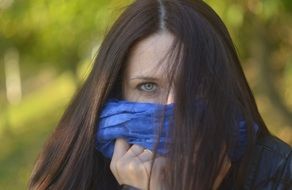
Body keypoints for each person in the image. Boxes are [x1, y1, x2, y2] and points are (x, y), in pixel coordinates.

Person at [29, 0, 292, 189]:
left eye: (196, 85)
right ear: (116, 92)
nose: (173, 107)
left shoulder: (276, 171)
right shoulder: (74, 177)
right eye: (148, 86)